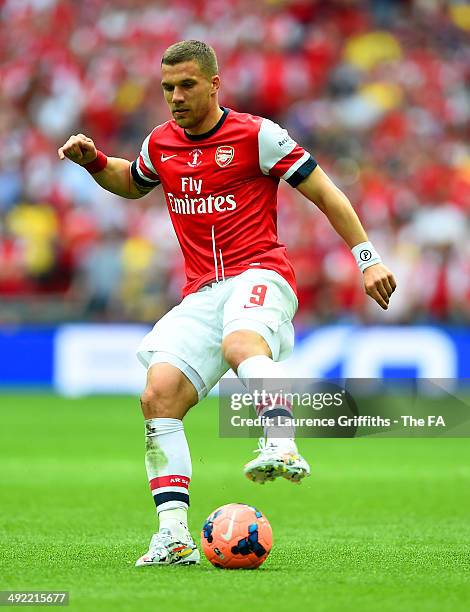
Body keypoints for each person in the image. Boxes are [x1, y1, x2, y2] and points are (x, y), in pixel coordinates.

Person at [58, 40, 396, 567]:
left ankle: (280, 440)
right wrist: (94, 160)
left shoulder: (258, 135)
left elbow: (327, 193)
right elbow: (130, 182)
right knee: (158, 395)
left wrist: (367, 257)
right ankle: (173, 537)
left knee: (242, 342)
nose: (175, 97)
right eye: (168, 87)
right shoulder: (160, 144)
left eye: (187, 85)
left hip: (260, 272)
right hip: (202, 291)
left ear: (215, 84)